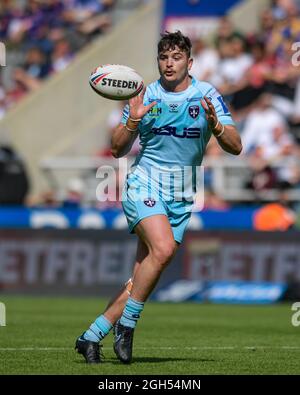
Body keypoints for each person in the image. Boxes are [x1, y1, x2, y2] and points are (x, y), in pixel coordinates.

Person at [75, 31, 242, 364]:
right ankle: (128, 326)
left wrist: (218, 129)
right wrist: (134, 119)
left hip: (182, 194)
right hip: (144, 184)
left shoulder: (206, 95)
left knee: (143, 275)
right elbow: (117, 147)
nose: (169, 63)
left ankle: (91, 335)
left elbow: (236, 147)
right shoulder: (144, 94)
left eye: (176, 57)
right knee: (163, 249)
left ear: (189, 62)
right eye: (164, 57)